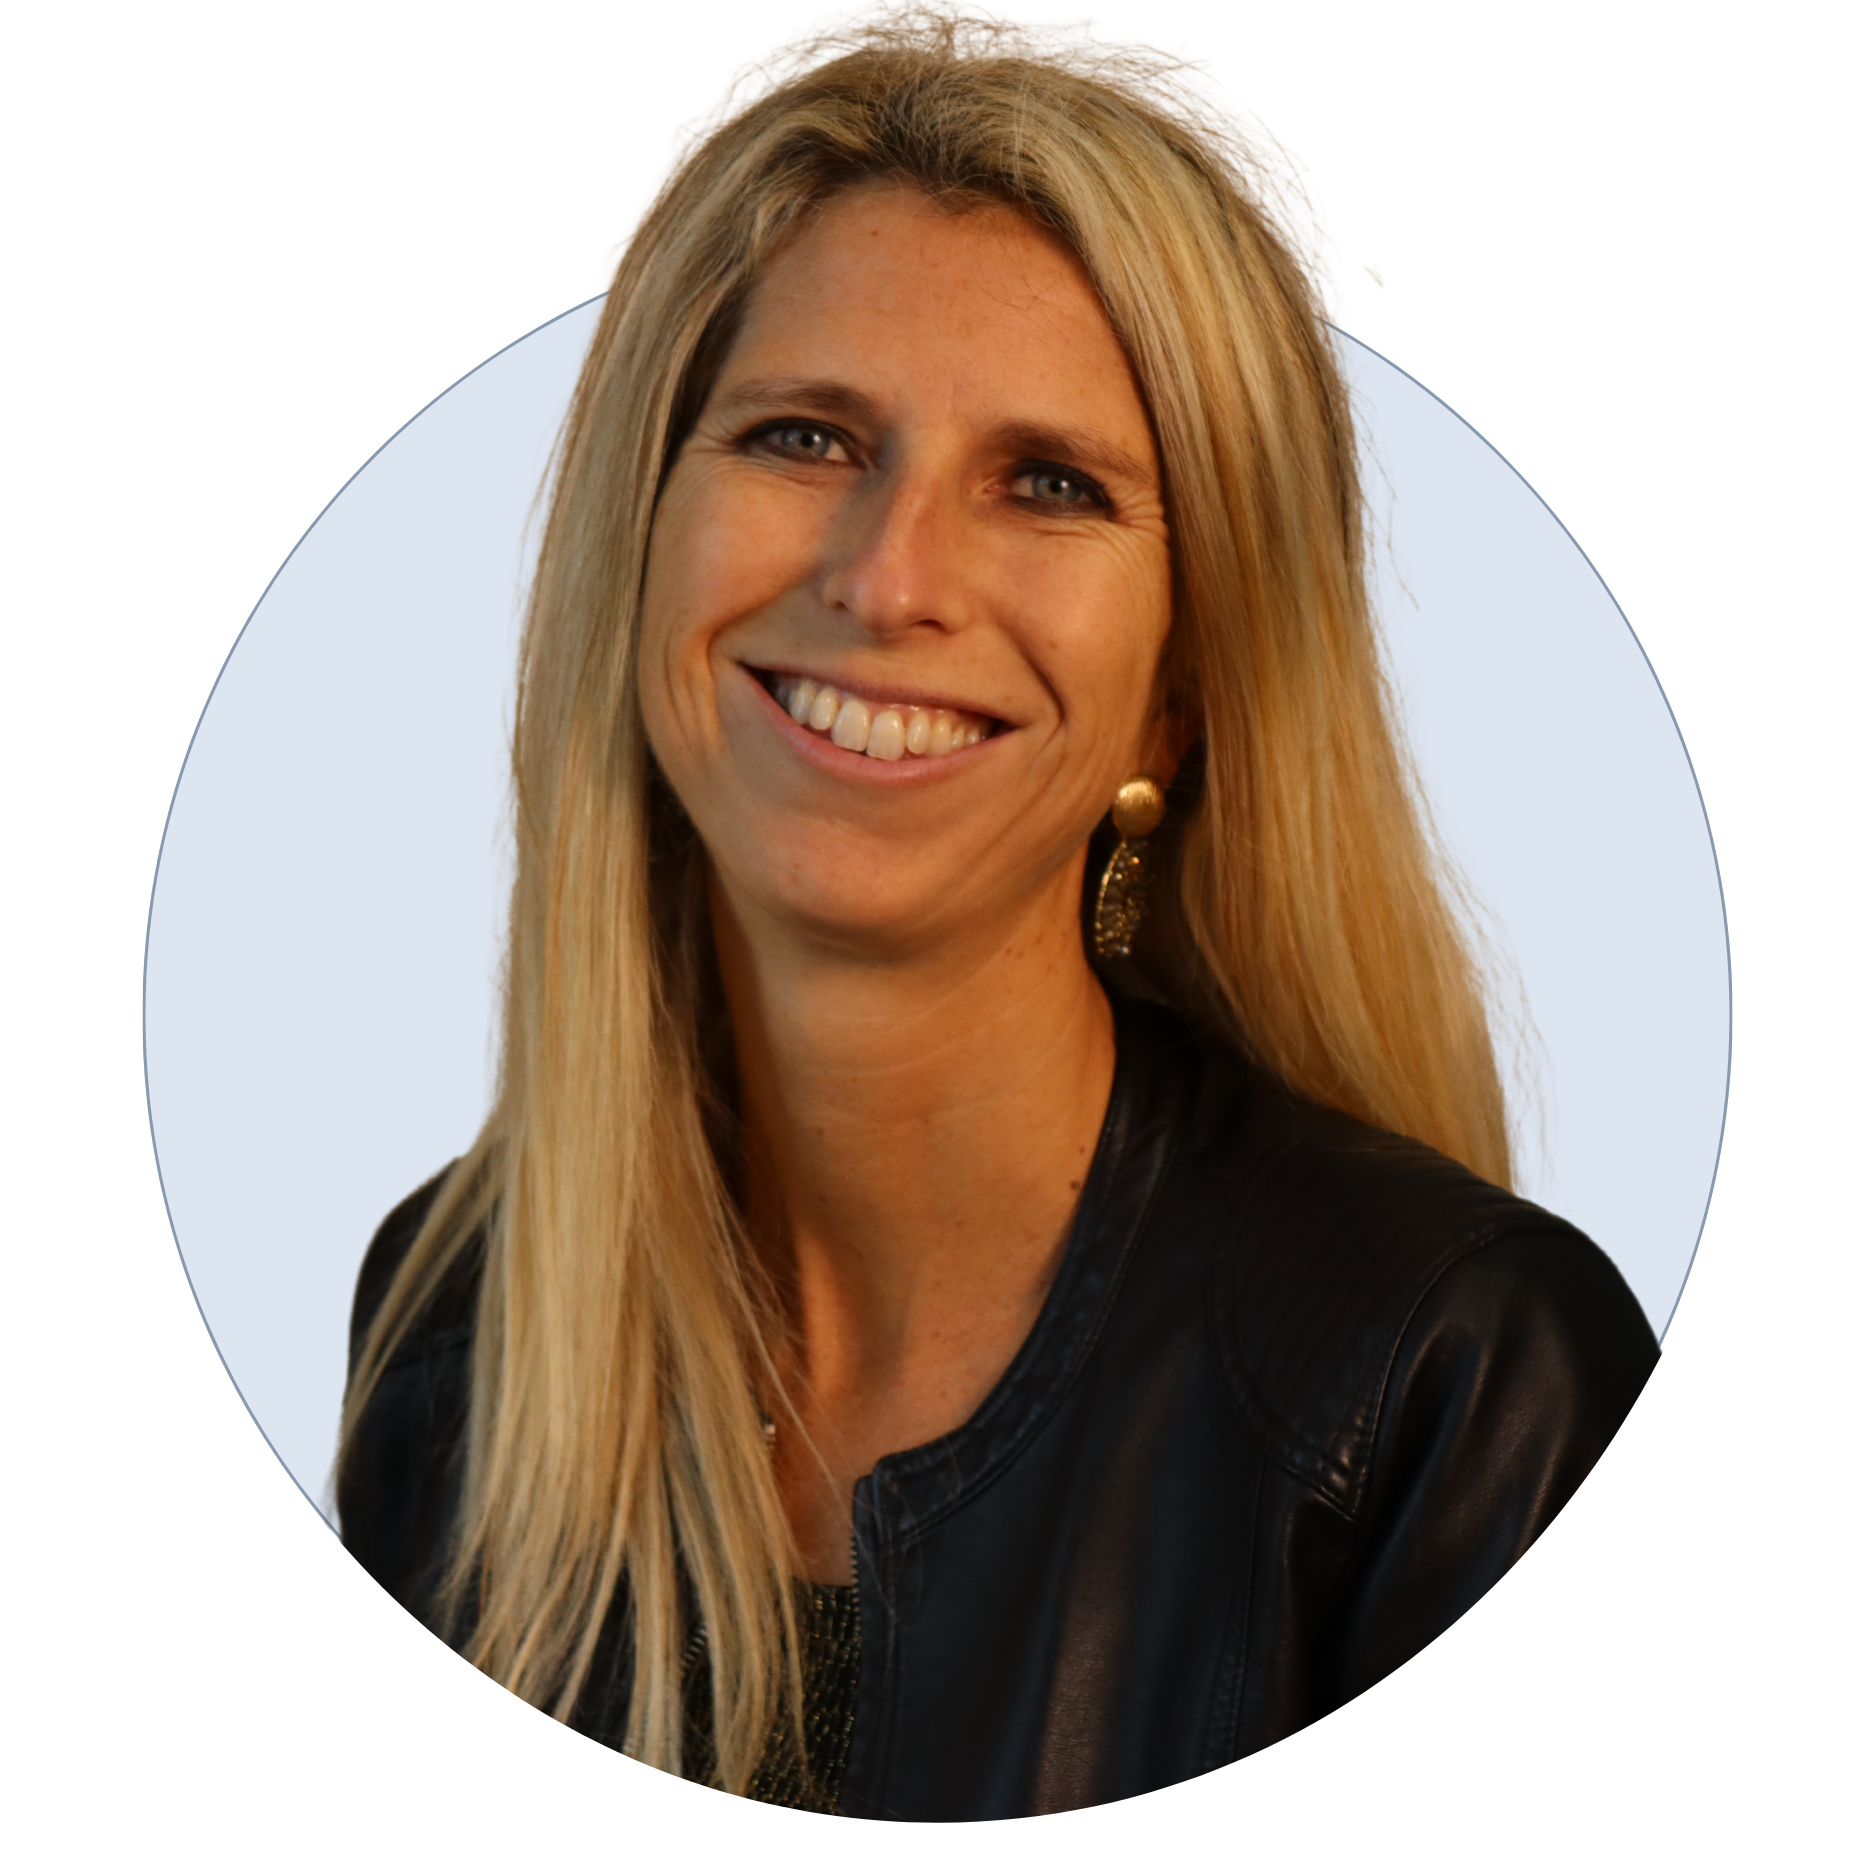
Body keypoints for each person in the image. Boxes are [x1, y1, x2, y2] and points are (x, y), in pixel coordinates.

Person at [336, 0, 1657, 1824]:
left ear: (1186, 683)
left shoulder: (1459, 1385)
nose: (885, 579)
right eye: (802, 436)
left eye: (1049, 484)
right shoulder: (447, 1329)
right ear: (634, 548)